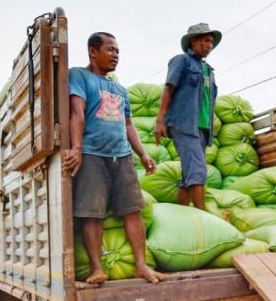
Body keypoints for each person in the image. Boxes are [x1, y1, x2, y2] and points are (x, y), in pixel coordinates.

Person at [63, 32, 165, 284]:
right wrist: (76, 148)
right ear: (92, 51)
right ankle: (97, 268)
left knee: (133, 211)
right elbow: (76, 112)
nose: (116, 55)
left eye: (118, 51)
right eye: (110, 50)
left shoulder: (119, 89)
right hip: (92, 155)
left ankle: (141, 265)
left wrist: (143, 154)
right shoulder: (79, 76)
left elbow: (128, 124)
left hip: (122, 156)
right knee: (92, 213)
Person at [155, 23, 221, 210]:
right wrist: (160, 120)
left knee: (188, 176)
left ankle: (181, 214)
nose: (210, 45)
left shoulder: (209, 70)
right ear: (194, 41)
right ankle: (203, 216)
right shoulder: (181, 61)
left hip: (202, 129)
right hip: (184, 124)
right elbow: (169, 88)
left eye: (211, 42)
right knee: (198, 171)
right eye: (206, 41)